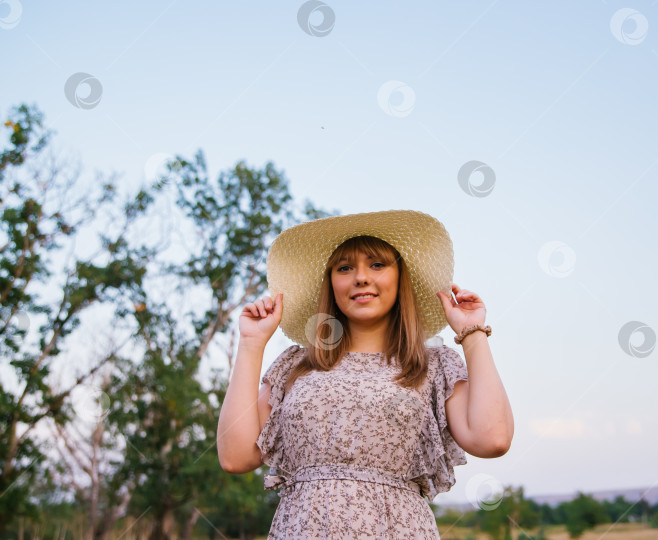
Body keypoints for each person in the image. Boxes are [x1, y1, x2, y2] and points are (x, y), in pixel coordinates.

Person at [217, 209, 513, 538]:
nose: (360, 277)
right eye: (345, 267)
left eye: (377, 264)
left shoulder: (432, 366)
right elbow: (235, 457)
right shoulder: (296, 367)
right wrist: (251, 343)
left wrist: (472, 333)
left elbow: (493, 439)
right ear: (332, 282)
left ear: (400, 277)